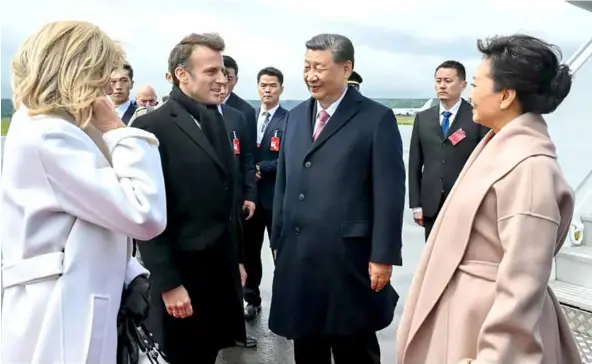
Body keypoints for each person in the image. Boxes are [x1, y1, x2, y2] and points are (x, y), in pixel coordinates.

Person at [396, 34, 581, 364]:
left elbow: (522, 286)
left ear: (506, 95)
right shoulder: (501, 146)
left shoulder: (530, 167)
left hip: (484, 330)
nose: (471, 93)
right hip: (468, 317)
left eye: (478, 84)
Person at [0, 21, 166, 363]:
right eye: (101, 74)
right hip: (62, 316)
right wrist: (117, 130)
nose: (107, 86)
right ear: (78, 71)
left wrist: (129, 272)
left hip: (68, 301)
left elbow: (86, 219)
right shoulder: (49, 135)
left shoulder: (43, 125)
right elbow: (144, 213)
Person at [269, 33, 406, 364]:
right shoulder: (295, 116)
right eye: (306, 67)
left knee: (353, 346)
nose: (311, 75)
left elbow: (389, 192)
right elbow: (284, 182)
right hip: (300, 256)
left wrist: (383, 256)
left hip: (349, 257)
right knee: (307, 345)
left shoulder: (376, 118)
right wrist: (278, 237)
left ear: (346, 69)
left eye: (319, 67)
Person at [132, 33, 246, 364]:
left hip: (216, 274)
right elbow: (148, 216)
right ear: (183, 75)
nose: (221, 79)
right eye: (211, 71)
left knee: (207, 355)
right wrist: (169, 284)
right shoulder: (153, 127)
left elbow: (228, 199)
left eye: (223, 71)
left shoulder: (213, 119)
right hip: (181, 280)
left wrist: (236, 260)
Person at [408, 60, 489, 241]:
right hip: (431, 204)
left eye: (448, 81)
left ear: (463, 85)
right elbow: (414, 164)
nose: (442, 85)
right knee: (432, 257)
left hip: (464, 202)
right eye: (438, 81)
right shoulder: (423, 118)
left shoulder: (477, 117)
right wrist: (416, 205)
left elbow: (485, 163)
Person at [216, 71, 258, 348]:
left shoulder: (236, 116)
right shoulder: (193, 117)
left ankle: (235, 331)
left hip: (235, 204)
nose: (220, 84)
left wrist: (250, 194)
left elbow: (247, 161)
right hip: (208, 207)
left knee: (239, 263)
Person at [243, 66, 288, 320]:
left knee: (279, 250)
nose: (267, 90)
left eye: (272, 85)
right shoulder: (248, 118)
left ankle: (284, 300)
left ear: (281, 88)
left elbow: (288, 157)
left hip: (275, 196)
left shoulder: (288, 119)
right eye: (263, 85)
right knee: (250, 252)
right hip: (251, 197)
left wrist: (263, 167)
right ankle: (252, 298)